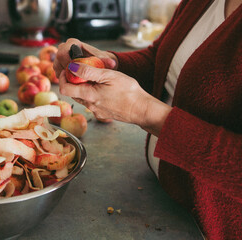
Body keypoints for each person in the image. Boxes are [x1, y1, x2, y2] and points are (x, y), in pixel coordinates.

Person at [53, 0, 242, 239]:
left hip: (212, 229)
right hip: (163, 200)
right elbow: (161, 60)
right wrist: (107, 62)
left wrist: (145, 113)